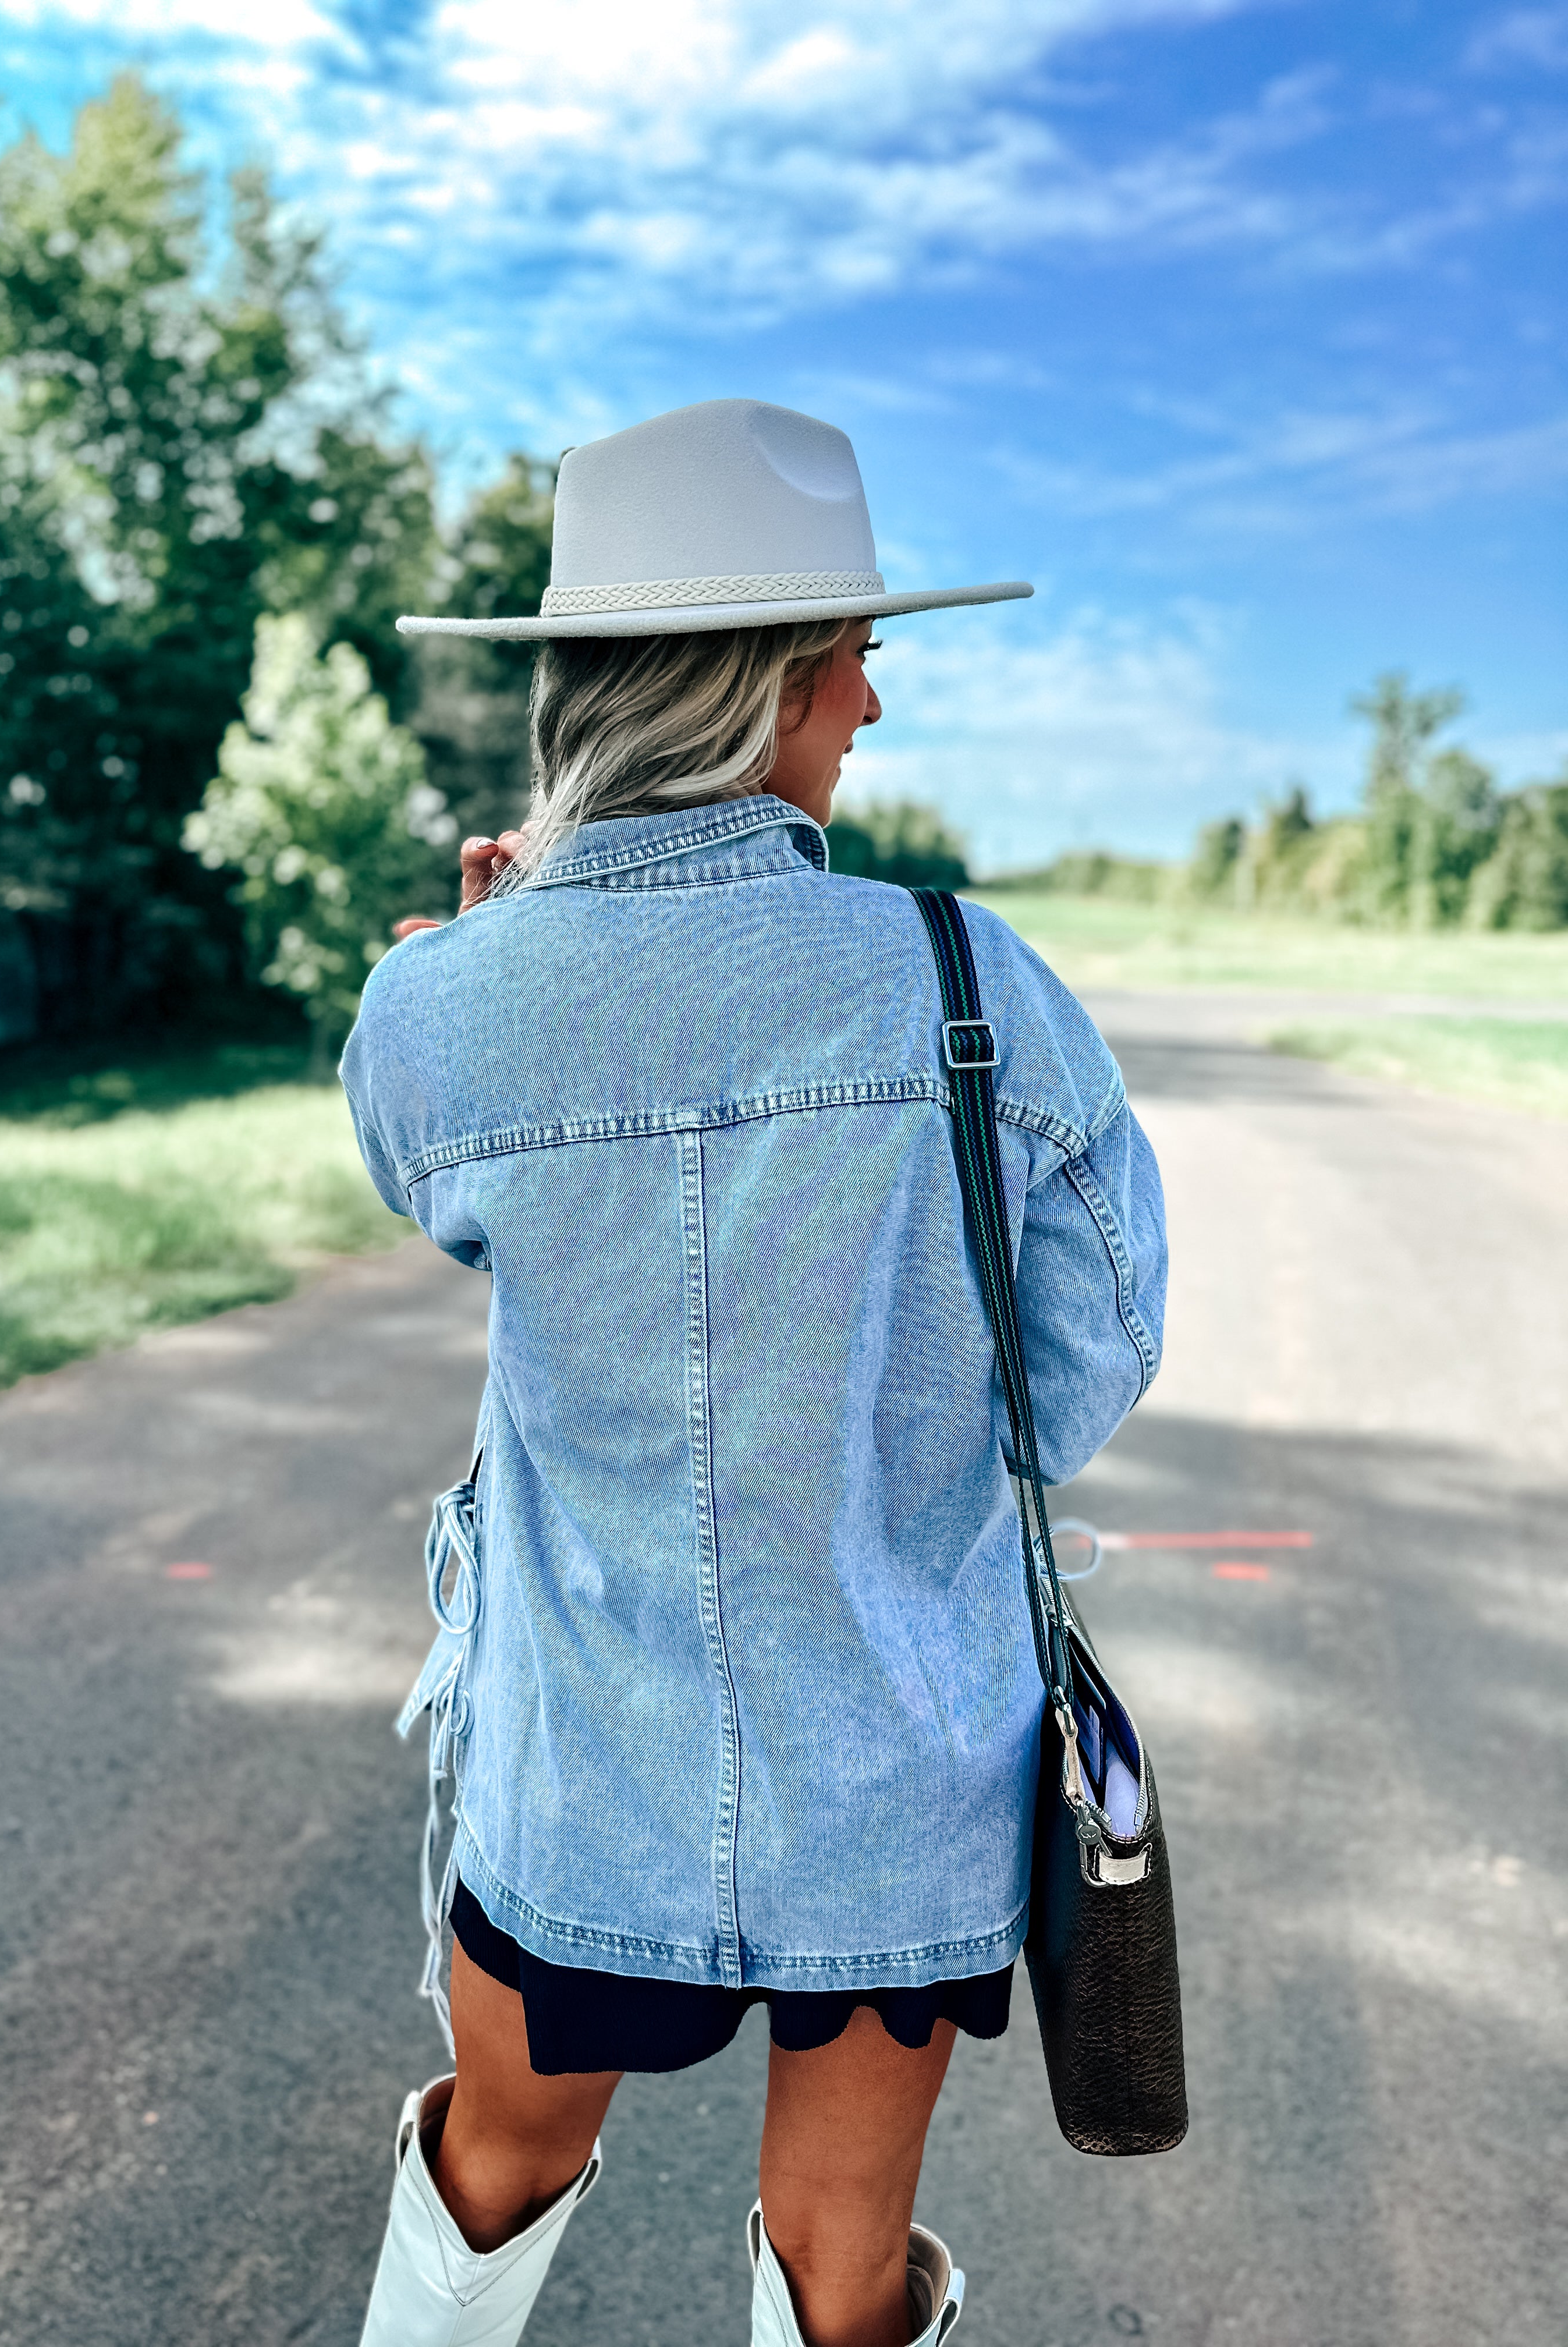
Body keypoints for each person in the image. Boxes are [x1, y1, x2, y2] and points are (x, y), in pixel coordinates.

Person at [339, 400, 1167, 2347]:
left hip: (580, 1760)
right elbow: (1088, 1363)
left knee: (495, 2158)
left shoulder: (436, 1001)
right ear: (773, 679)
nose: (873, 702)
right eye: (857, 654)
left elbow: (436, 1186)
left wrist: (497, 950)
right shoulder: (971, 978)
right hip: (899, 1758)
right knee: (840, 2249)